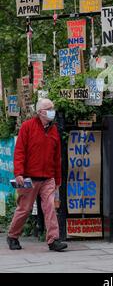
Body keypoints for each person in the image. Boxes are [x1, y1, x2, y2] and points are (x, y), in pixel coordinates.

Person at [7, 98, 67, 252]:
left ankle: (53, 239)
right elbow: (19, 151)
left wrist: (57, 179)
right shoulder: (27, 127)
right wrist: (19, 173)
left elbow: (57, 157)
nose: (52, 110)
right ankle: (13, 236)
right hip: (29, 177)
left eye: (53, 107)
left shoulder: (54, 130)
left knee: (50, 208)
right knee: (24, 209)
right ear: (40, 112)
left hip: (48, 178)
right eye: (49, 108)